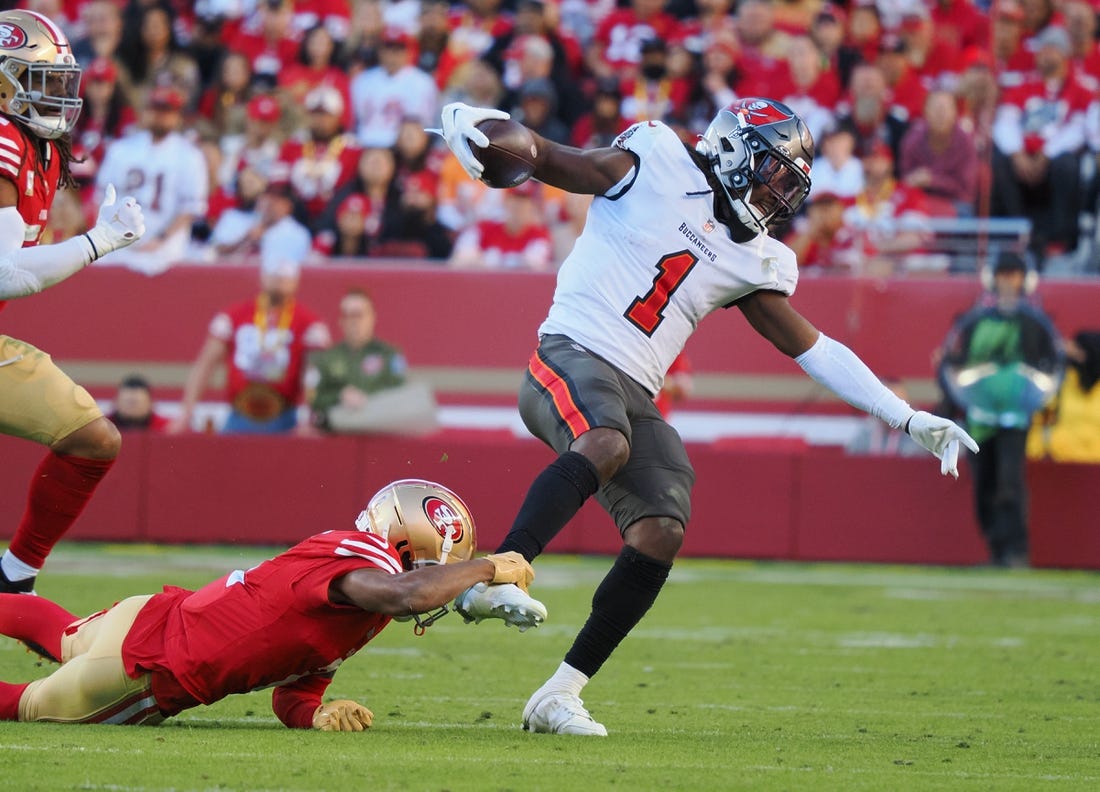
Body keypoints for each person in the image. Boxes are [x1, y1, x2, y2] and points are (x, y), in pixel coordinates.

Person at [437, 97, 978, 735]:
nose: (781, 196)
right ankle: (499, 570)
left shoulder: (757, 257)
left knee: (661, 526)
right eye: (775, 174)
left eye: (790, 185)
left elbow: (814, 348)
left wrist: (907, 417)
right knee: (606, 441)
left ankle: (559, 693)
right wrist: (491, 134)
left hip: (633, 388)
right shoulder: (658, 160)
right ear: (735, 150)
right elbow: (556, 160)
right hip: (568, 353)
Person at [0, 479, 543, 727]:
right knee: (16, 705)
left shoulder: (362, 600)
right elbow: (408, 594)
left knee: (63, 632)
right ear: (410, 545)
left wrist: (318, 714)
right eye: (441, 566)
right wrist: (489, 567)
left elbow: (293, 693)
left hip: (146, 619)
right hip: (145, 674)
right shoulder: (365, 565)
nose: (444, 582)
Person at [0, 9, 146, 596]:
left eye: (60, 81)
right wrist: (97, 242)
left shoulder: (40, 146)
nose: (56, 96)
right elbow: (6, 273)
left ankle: (15, 577)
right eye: (39, 79)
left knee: (92, 439)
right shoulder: (6, 140)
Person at [938, 252, 1062, 567]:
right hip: (978, 416)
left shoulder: (1035, 322)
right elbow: (954, 365)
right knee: (983, 487)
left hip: (1016, 416)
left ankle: (1016, 552)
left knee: (1009, 483)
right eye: (1004, 273)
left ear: (1026, 280)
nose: (1009, 280)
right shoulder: (973, 319)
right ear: (993, 278)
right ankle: (996, 551)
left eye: (1015, 274)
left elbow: (1051, 368)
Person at [169, 225, 330, 435]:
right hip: (239, 414)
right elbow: (205, 363)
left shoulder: (309, 322)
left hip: (283, 416)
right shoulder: (234, 316)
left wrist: (309, 418)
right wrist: (186, 413)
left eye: (285, 278)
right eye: (275, 276)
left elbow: (314, 373)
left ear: (295, 282)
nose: (279, 283)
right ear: (262, 277)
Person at [94, 85, 208, 276]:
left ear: (177, 115)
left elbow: (191, 208)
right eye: (156, 109)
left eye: (167, 111)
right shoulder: (122, 149)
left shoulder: (190, 156)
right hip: (119, 243)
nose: (161, 116)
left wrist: (161, 239)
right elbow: (103, 197)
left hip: (165, 249)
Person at [308, 289, 416, 432]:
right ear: (341, 321)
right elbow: (316, 399)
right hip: (338, 435)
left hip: (379, 433)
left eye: (359, 315)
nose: (354, 321)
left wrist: (368, 399)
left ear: (372, 317)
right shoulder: (328, 358)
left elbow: (401, 395)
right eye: (349, 316)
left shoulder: (388, 355)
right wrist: (339, 396)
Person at [1027, 330, 1100, 463]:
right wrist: (1040, 449)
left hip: (1095, 468)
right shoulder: (1058, 383)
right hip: (1060, 463)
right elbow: (1037, 418)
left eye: (1078, 348)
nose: (1071, 350)